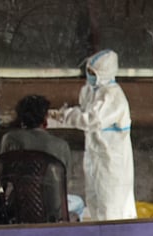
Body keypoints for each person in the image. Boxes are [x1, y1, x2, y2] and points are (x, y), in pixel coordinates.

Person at [50, 49, 136, 221]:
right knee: (95, 201)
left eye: (93, 72)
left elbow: (91, 120)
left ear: (105, 72)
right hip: (94, 156)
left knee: (112, 207)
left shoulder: (112, 95)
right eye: (88, 71)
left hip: (112, 161)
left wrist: (62, 116)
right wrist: (60, 116)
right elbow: (83, 113)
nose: (89, 75)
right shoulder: (91, 90)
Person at [0, 94, 72, 172]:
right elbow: (65, 179)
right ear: (45, 117)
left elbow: (1, 172)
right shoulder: (61, 146)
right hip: (50, 184)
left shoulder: (9, 139)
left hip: (15, 184)